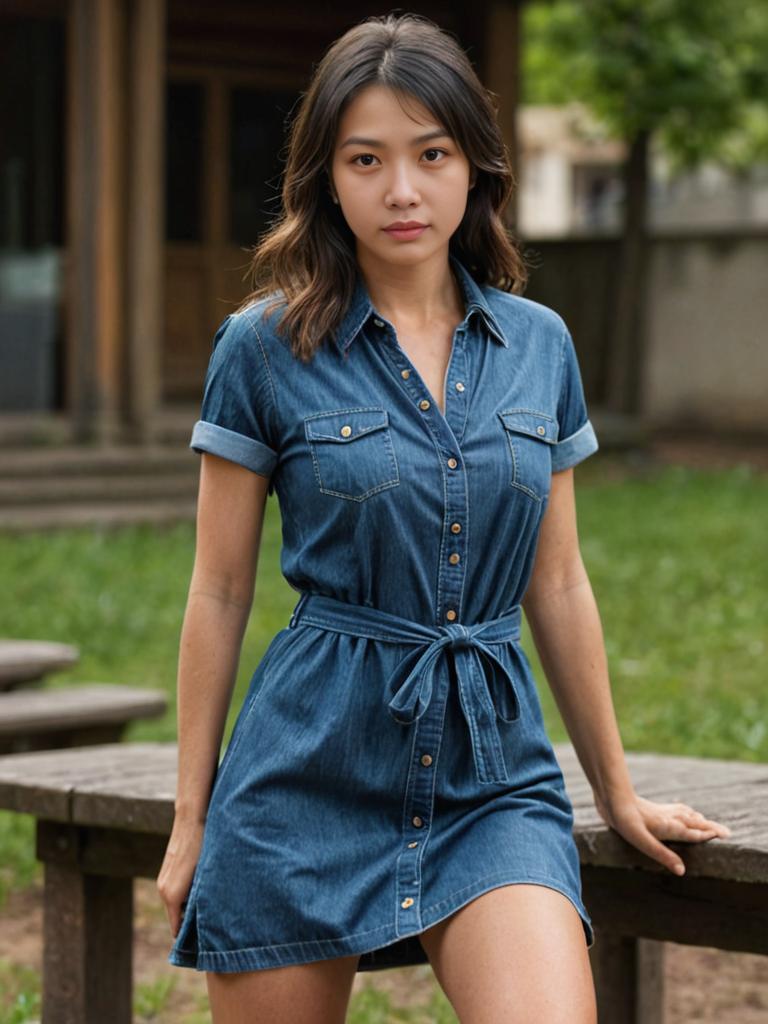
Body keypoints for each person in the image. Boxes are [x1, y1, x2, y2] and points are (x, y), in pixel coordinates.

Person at [157, 12, 731, 1023]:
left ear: (476, 167)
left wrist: (615, 787)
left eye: (432, 154)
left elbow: (557, 580)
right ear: (327, 177)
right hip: (304, 772)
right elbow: (219, 588)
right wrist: (191, 819)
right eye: (366, 159)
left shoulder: (539, 347)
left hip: (490, 774)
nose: (403, 190)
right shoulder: (261, 348)